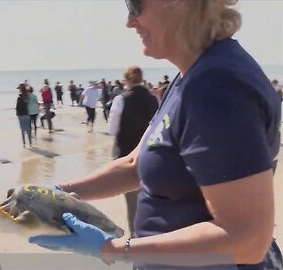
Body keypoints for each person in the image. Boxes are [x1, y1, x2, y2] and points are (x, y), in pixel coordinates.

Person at [29, 1, 281, 269]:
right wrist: (60, 194)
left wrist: (112, 248)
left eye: (136, 5)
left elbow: (247, 241)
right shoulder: (191, 75)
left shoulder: (217, 86)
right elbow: (135, 165)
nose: (130, 21)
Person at [108, 66, 158, 236]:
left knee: (132, 203)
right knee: (151, 198)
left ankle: (136, 240)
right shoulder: (152, 98)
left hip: (126, 156)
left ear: (126, 80)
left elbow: (112, 129)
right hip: (151, 154)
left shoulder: (121, 100)